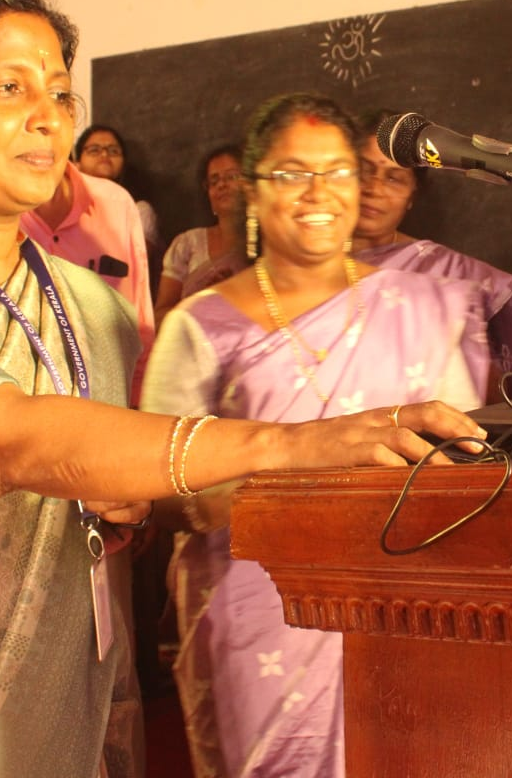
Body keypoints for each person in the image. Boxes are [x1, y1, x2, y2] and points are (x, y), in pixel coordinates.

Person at [0, 0, 481, 778]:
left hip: (55, 701)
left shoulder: (89, 303)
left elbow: (96, 472)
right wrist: (298, 443)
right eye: (9, 88)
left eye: (60, 92)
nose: (47, 116)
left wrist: (124, 501)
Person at [141, 92, 487, 778]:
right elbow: (161, 491)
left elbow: (465, 464)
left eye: (336, 171)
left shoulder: (420, 308)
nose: (317, 192)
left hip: (405, 608)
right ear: (252, 190)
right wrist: (294, 484)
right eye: (292, 173)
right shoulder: (200, 326)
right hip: (260, 615)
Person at [352, 109, 512, 396]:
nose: (374, 188)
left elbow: (497, 384)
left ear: (412, 196)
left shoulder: (447, 272)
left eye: (394, 178)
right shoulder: (297, 268)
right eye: (364, 170)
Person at [22, 156, 157, 385]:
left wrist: (139, 387)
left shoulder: (116, 203)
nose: (43, 134)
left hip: (107, 387)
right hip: (19, 388)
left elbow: (139, 308)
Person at [155, 143, 244, 323]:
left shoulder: (270, 244)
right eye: (214, 181)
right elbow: (158, 318)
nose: (222, 185)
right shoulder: (188, 244)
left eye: (232, 176)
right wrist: (199, 301)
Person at [74, 123, 160, 267]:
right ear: (77, 164)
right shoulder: (61, 206)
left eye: (113, 151)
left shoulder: (137, 210)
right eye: (94, 150)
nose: (104, 155)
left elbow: (134, 264)